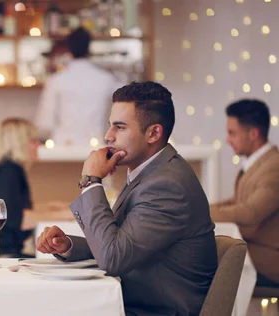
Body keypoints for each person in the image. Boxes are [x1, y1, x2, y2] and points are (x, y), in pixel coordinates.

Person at [37, 81, 217, 315]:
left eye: (119, 127)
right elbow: (121, 245)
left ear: (153, 133)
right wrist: (68, 246)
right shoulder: (151, 172)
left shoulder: (166, 185)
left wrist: (91, 180)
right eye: (110, 125)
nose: (108, 136)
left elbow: (113, 258)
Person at [0, 118, 72, 257]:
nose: (38, 145)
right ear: (20, 143)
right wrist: (67, 215)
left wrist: (56, 207)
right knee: (63, 260)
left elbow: (18, 208)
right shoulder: (8, 172)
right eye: (33, 141)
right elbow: (20, 220)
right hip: (0, 254)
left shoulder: (0, 168)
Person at [210, 99, 279, 287]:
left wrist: (199, 213)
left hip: (270, 259)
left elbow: (251, 212)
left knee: (206, 259)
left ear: (253, 134)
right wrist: (199, 208)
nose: (227, 140)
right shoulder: (259, 164)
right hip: (255, 251)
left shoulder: (274, 166)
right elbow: (235, 202)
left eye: (232, 133)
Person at [35, 27, 122, 147]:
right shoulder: (105, 78)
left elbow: (45, 122)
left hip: (62, 146)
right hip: (95, 145)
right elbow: (123, 106)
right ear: (89, 47)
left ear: (69, 48)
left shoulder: (56, 80)